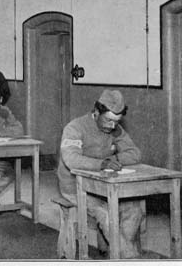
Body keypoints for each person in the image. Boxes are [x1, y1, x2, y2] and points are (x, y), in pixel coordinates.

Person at [57, 89, 143, 258]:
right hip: (75, 186)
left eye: (116, 122)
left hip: (103, 185)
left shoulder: (114, 129)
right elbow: (71, 159)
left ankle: (116, 253)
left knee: (134, 210)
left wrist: (116, 159)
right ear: (96, 112)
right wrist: (102, 164)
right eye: (109, 120)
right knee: (105, 213)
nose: (112, 126)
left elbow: (134, 153)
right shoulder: (75, 127)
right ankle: (129, 258)